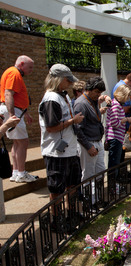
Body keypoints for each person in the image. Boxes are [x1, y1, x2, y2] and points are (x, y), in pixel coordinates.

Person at [38, 64, 84, 203]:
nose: (70, 83)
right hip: (56, 153)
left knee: (73, 184)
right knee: (57, 189)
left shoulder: (62, 96)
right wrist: (73, 121)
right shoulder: (51, 99)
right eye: (67, 80)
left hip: (70, 150)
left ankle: (73, 216)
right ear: (57, 79)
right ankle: (57, 222)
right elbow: (51, 127)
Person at [0, 55, 38, 183]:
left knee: (17, 142)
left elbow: (14, 96)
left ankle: (16, 172)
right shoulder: (14, 73)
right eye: (30, 67)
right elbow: (8, 93)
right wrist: (12, 115)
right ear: (21, 64)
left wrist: (24, 113)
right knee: (23, 142)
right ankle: (21, 173)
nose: (31, 70)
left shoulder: (13, 73)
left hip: (16, 110)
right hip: (13, 111)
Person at [73, 77, 111, 182]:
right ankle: (90, 198)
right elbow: (78, 129)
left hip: (97, 141)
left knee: (100, 171)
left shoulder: (93, 100)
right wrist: (88, 146)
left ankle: (98, 197)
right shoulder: (81, 104)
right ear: (89, 89)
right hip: (89, 143)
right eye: (97, 92)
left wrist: (105, 97)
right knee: (88, 175)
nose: (98, 95)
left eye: (100, 92)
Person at [111, 72, 131, 161]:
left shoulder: (123, 87)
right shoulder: (120, 87)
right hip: (121, 125)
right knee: (119, 154)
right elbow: (120, 107)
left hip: (124, 124)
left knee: (122, 152)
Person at [106, 84, 131, 170]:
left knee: (115, 162)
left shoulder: (116, 104)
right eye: (127, 96)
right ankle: (112, 182)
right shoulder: (116, 105)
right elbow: (115, 123)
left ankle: (114, 181)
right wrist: (127, 119)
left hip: (117, 138)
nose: (127, 98)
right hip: (115, 138)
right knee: (114, 163)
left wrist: (129, 118)